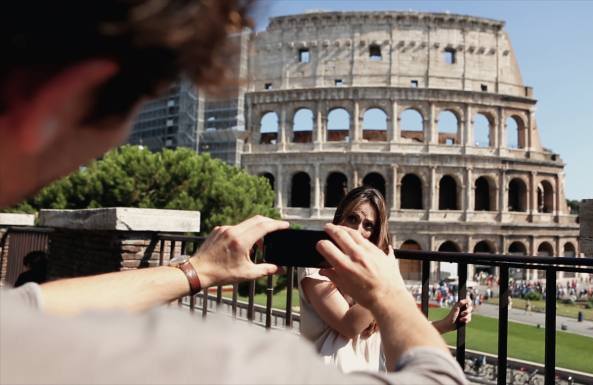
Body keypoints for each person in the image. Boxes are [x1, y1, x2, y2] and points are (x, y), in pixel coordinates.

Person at [0, 1, 467, 384]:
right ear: (63, 98)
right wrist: (390, 291)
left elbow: (33, 308)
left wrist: (196, 270)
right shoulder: (182, 361)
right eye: (131, 106)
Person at [298, 186, 472, 372]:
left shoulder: (376, 275)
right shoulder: (315, 268)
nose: (358, 230)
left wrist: (445, 324)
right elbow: (348, 326)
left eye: (368, 225)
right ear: (339, 219)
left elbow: (395, 334)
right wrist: (385, 281)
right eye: (352, 218)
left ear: (376, 232)